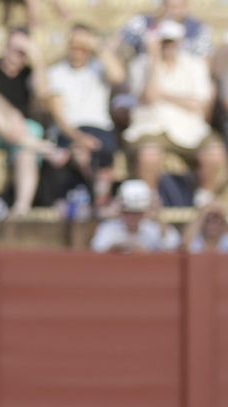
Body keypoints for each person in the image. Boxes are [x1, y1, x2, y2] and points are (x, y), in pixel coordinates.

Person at [124, 20, 224, 206]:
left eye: (172, 42)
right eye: (164, 42)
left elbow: (199, 105)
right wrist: (153, 59)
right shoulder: (141, 64)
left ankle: (204, 200)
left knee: (215, 153)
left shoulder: (195, 65)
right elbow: (150, 96)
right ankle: (150, 202)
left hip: (190, 129)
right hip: (151, 127)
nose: (168, 46)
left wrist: (165, 95)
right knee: (149, 155)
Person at [0, 28, 62, 215]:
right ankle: (41, 147)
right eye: (15, 49)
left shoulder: (29, 73)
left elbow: (44, 94)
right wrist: (12, 115)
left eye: (23, 51)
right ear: (5, 47)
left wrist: (37, 58)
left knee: (27, 153)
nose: (18, 55)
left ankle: (21, 208)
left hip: (20, 134)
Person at [43, 25, 123, 209]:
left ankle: (98, 197)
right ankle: (96, 197)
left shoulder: (98, 68)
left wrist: (96, 44)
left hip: (99, 128)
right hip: (70, 130)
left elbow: (118, 77)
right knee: (81, 153)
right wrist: (80, 138)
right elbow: (58, 115)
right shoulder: (56, 72)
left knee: (102, 153)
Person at [91, 178, 180, 252]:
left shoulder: (152, 229)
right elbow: (97, 250)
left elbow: (172, 244)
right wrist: (114, 248)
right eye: (127, 212)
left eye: (137, 212)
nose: (132, 217)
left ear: (145, 211)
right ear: (120, 211)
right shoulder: (108, 229)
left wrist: (158, 214)